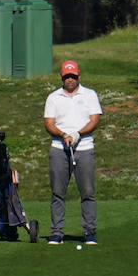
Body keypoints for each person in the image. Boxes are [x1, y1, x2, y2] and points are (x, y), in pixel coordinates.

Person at [43, 59, 102, 246]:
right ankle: (57, 232)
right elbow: (49, 123)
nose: (70, 79)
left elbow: (94, 120)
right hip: (60, 148)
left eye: (73, 76)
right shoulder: (53, 97)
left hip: (84, 148)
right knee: (58, 192)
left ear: (79, 76)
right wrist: (62, 134)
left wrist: (78, 133)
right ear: (62, 77)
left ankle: (89, 231)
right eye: (67, 76)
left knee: (87, 191)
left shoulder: (90, 94)